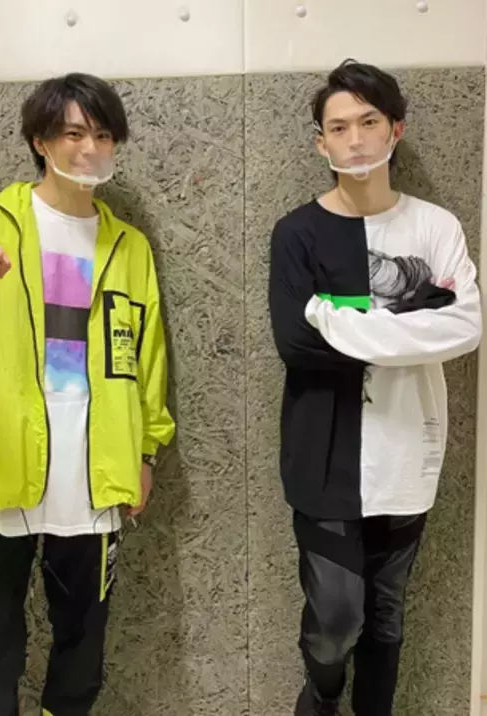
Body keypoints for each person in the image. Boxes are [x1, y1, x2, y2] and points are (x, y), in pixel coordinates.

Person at [0, 72, 175, 716]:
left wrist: (146, 451)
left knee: (82, 652)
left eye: (103, 135)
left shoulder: (128, 246)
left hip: (94, 475)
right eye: (73, 134)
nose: (89, 148)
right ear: (40, 142)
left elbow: (146, 357)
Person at [268, 59, 482, 716]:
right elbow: (297, 343)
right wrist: (415, 318)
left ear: (396, 129)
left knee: (386, 615)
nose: (355, 139)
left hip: (408, 449)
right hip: (323, 452)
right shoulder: (298, 233)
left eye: (368, 122)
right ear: (321, 143)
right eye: (339, 127)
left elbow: (466, 327)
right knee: (336, 620)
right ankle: (322, 699)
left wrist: (338, 319)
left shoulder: (436, 227)